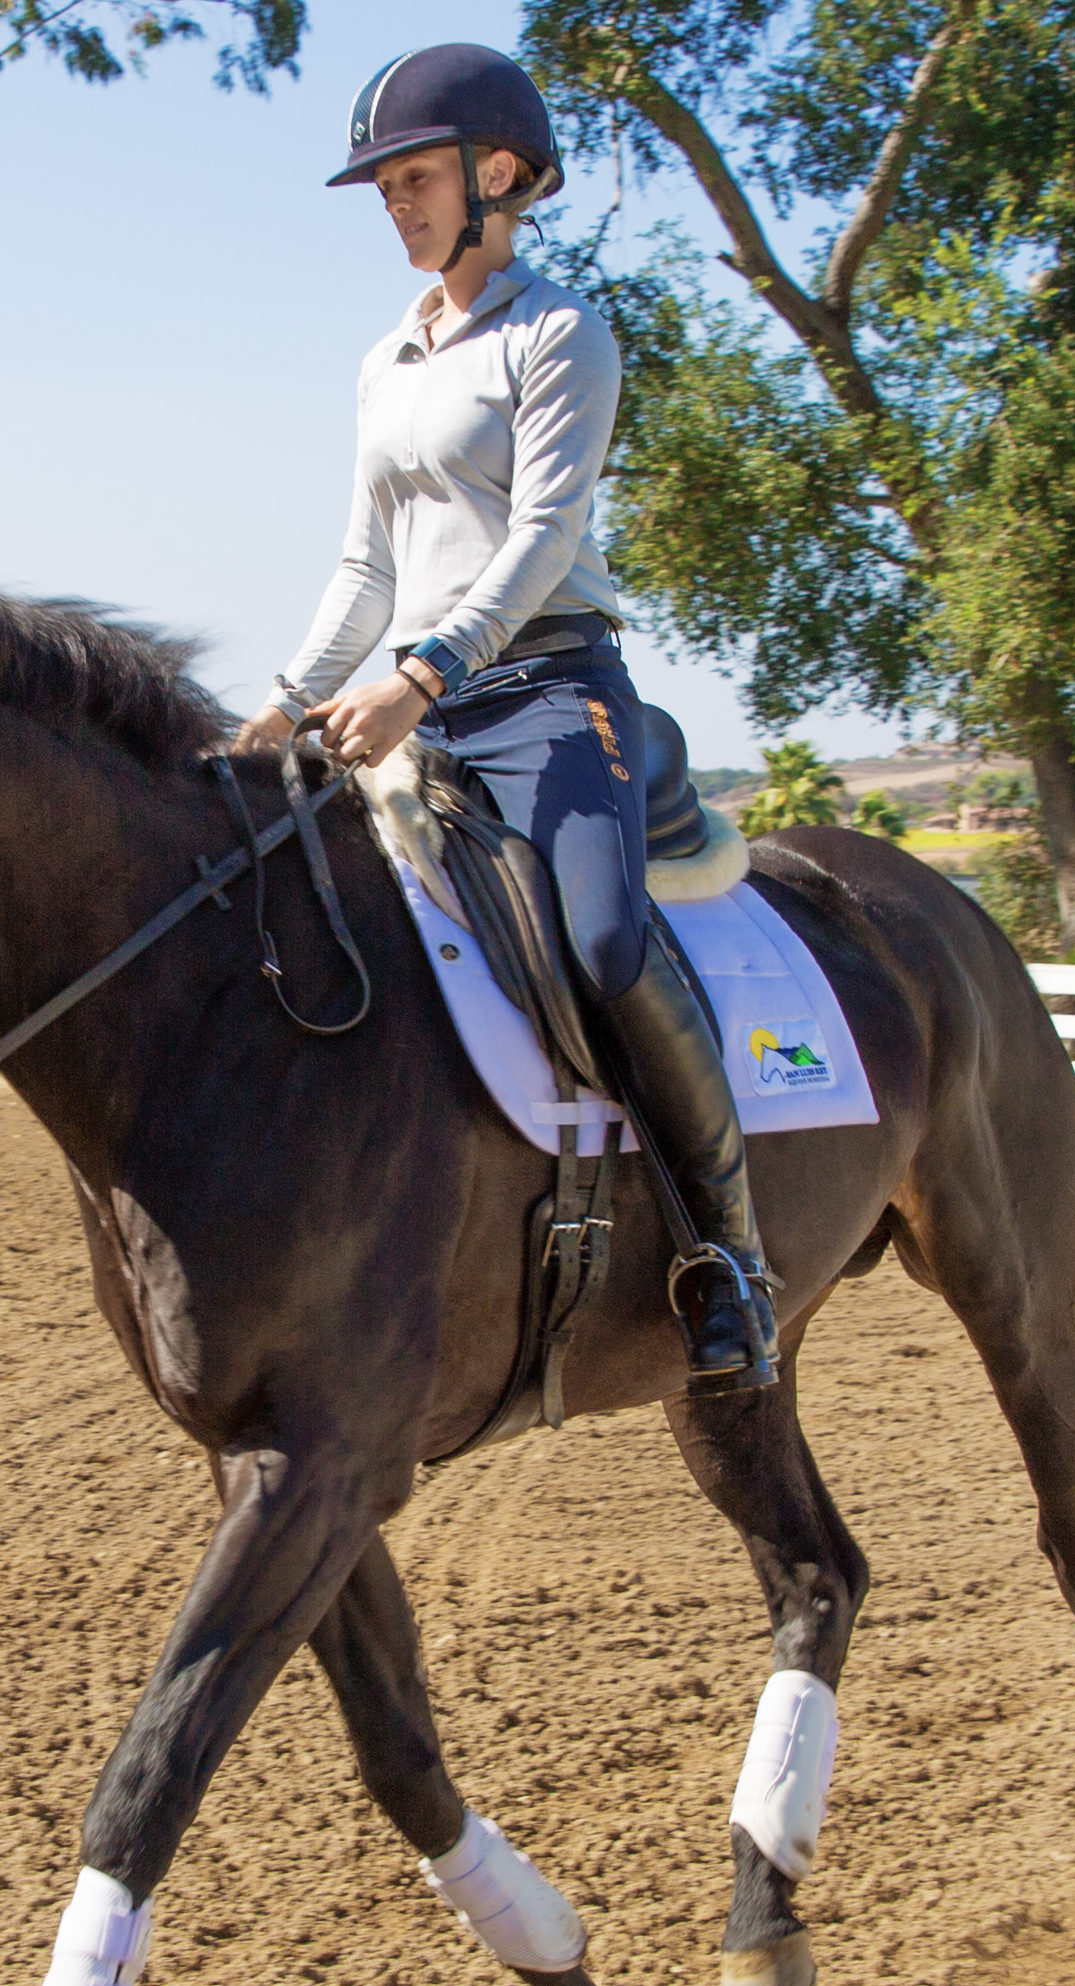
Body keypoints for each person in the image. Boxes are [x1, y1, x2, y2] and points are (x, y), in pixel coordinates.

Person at [233, 42, 779, 1391]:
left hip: (543, 695)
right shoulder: (385, 362)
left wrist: (420, 675)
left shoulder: (557, 332)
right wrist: (286, 701)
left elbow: (540, 537)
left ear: (495, 174)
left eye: (413, 178)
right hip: (396, 702)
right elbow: (363, 560)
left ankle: (729, 1256)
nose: (396, 205)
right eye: (383, 188)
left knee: (599, 946)